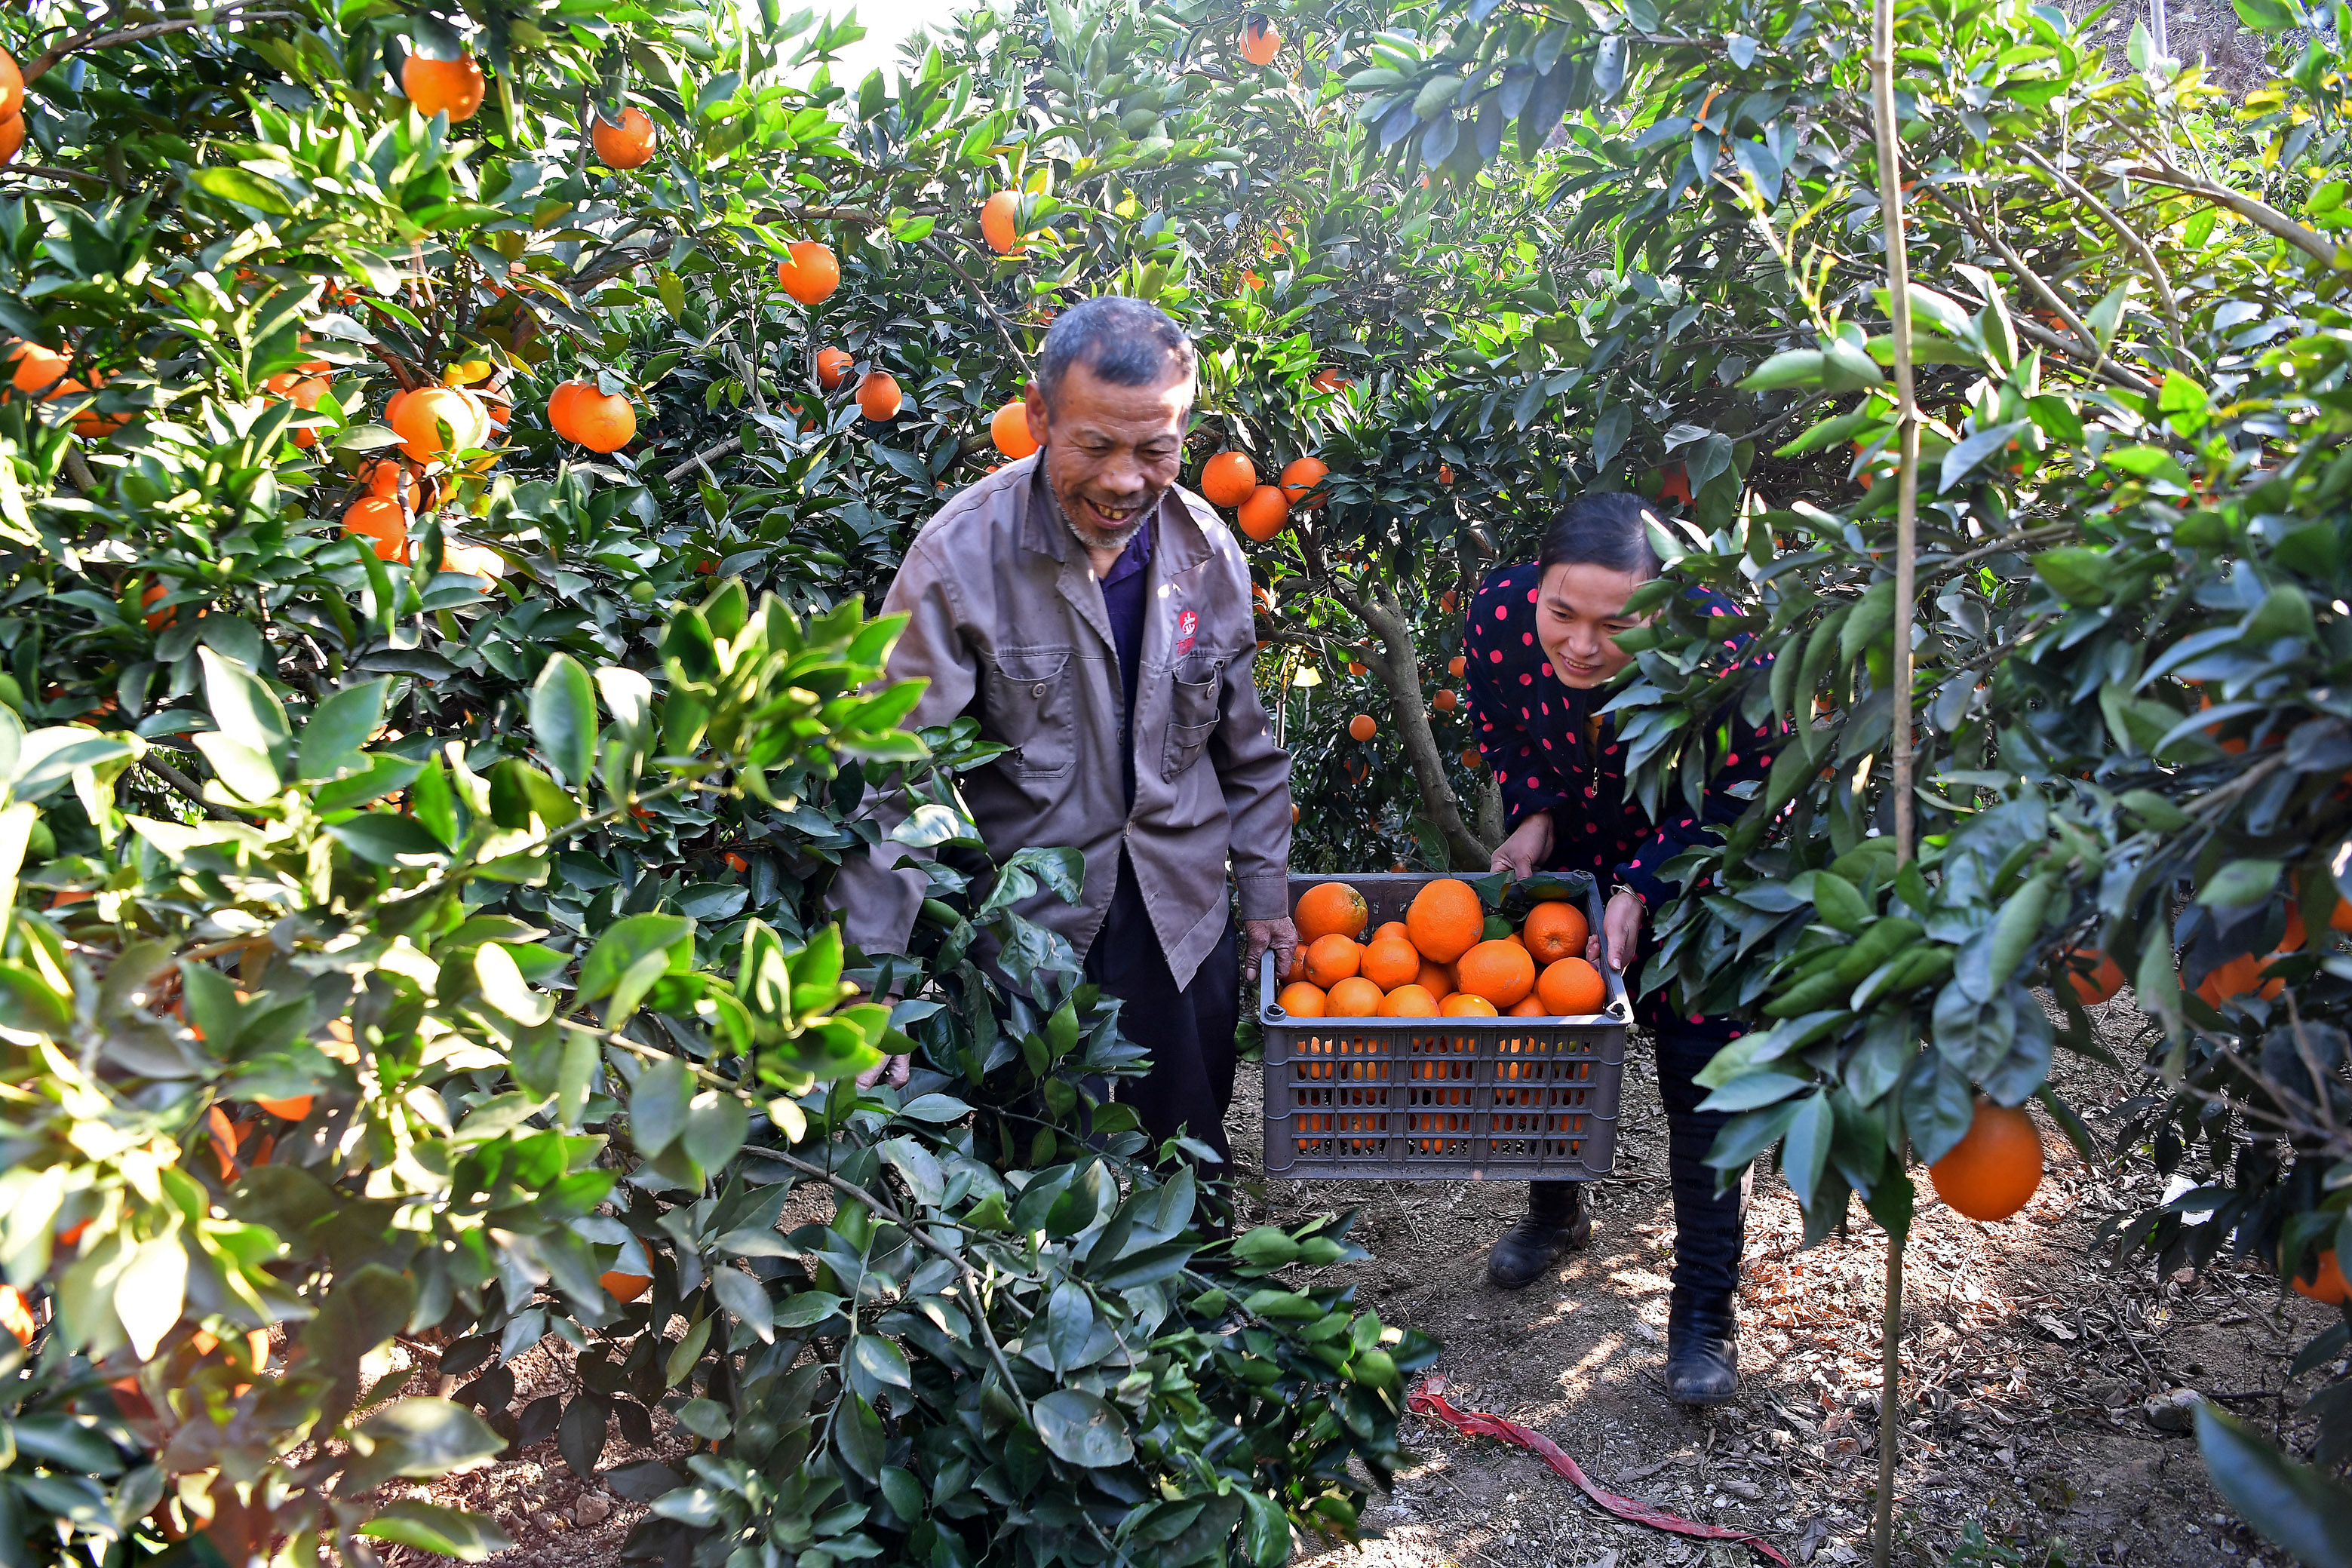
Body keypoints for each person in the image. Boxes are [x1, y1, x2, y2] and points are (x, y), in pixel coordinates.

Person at [834, 296, 1298, 1175]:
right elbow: (891, 779)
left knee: (1186, 1162)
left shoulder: (1206, 551)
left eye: (1156, 448)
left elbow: (1245, 744)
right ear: (1039, 416)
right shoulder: (960, 558)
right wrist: (871, 991)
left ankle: (1199, 1305)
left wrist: (1267, 894)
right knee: (1038, 1181)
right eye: (1096, 445)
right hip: (1034, 937)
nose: (1126, 480)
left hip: (1181, 912)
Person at [1466, 491, 1778, 1405]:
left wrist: (1647, 881)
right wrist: (1533, 816)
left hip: (1702, 867)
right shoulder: (1499, 616)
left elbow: (1754, 789)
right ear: (1538, 588)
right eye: (1562, 612)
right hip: (1580, 857)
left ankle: (1703, 1314)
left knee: (1703, 1081)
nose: (1581, 645)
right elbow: (1505, 732)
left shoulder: (1725, 647)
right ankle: (1554, 1214)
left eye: (1616, 624)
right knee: (1556, 1042)